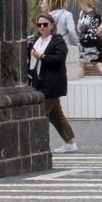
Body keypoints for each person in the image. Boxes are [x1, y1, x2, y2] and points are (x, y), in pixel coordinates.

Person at [27, 13, 77, 152]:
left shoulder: (57, 40)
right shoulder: (35, 40)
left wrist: (42, 56)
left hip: (52, 83)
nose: (42, 27)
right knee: (56, 115)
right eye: (39, 25)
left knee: (40, 114)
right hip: (38, 82)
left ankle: (36, 146)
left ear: (52, 25)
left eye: (45, 24)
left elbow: (59, 58)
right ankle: (70, 142)